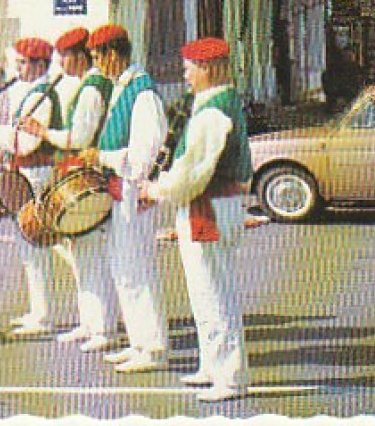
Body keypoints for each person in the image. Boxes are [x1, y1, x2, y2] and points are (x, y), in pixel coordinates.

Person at [141, 37, 253, 403]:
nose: (185, 74)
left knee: (214, 293)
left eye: (189, 67)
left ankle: (230, 376)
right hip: (215, 206)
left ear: (206, 69)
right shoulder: (222, 102)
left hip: (210, 208)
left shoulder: (211, 113)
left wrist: (156, 190)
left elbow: (192, 172)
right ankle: (212, 364)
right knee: (206, 290)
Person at [19, 27, 118, 352]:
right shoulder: (87, 86)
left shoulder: (92, 89)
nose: (60, 64)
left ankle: (103, 327)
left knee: (89, 254)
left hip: (87, 175)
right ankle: (90, 323)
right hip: (79, 173)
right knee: (81, 253)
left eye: (64, 57)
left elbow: (78, 138)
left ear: (78, 56)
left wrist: (43, 132)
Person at [90, 23, 170, 374]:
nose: (96, 65)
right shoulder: (123, 88)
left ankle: (152, 347)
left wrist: (102, 157)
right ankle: (138, 341)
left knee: (138, 269)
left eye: (97, 57)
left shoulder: (143, 93)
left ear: (113, 54)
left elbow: (143, 153)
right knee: (124, 270)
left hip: (133, 191)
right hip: (120, 190)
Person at [0, 36, 63, 338]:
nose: (18, 68)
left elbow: (26, 143)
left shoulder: (40, 96)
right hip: (27, 172)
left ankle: (45, 316)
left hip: (37, 173)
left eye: (23, 63)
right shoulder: (30, 93)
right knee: (27, 247)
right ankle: (37, 311)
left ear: (40, 65)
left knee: (37, 244)